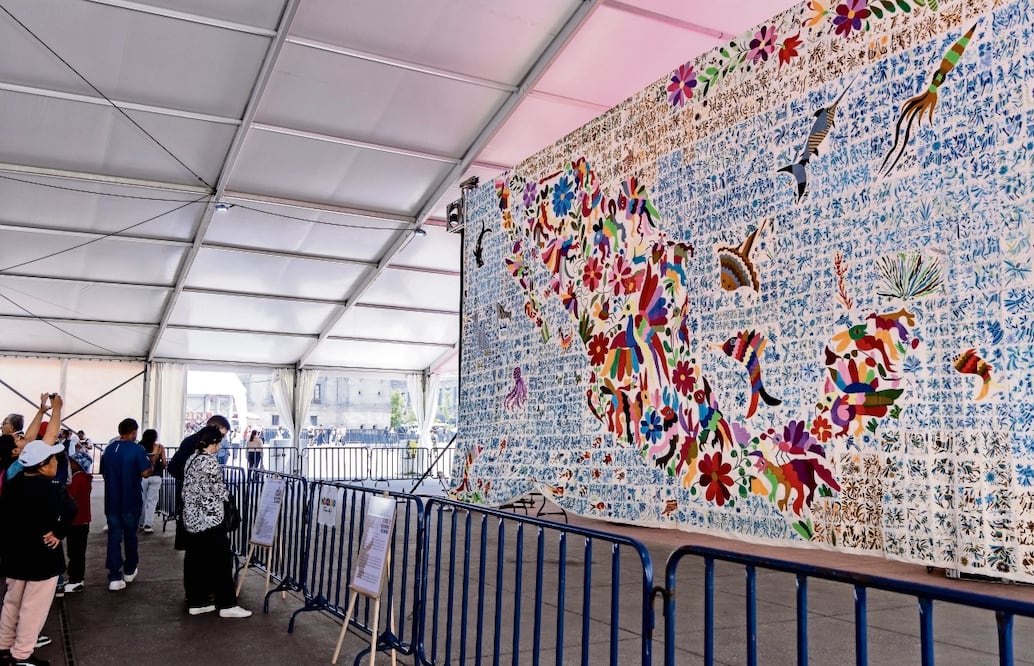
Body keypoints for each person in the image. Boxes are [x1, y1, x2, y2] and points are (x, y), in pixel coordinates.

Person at [0, 439, 77, 666]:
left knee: (12, 602)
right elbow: (71, 508)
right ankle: (21, 655)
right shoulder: (51, 487)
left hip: (14, 556)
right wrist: (58, 533)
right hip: (43, 558)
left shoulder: (12, 483)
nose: (56, 463)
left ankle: (4, 647)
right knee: (33, 608)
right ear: (43, 465)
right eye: (53, 459)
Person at [181, 426, 250, 618]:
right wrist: (229, 496)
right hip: (210, 519)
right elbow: (218, 490)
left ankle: (197, 601)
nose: (220, 446)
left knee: (196, 561)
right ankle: (227, 604)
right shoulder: (209, 462)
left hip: (192, 519)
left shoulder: (191, 459)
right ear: (213, 443)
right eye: (219, 442)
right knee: (221, 561)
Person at [99, 418, 153, 591]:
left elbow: (104, 472)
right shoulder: (137, 450)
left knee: (114, 538)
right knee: (130, 536)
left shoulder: (108, 450)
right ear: (134, 432)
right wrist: (153, 462)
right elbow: (145, 473)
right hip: (130, 500)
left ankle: (114, 576)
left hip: (112, 500)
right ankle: (129, 570)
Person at [63, 453, 93, 593]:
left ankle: (76, 580)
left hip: (77, 521)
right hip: (81, 521)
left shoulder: (77, 478)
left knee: (76, 553)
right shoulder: (83, 478)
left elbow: (69, 497)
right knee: (76, 552)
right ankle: (74, 578)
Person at [137, 429, 166, 534]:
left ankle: (140, 523)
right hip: (156, 476)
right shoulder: (160, 447)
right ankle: (148, 524)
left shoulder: (139, 447)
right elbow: (164, 463)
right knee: (152, 501)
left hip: (143, 476)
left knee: (142, 499)